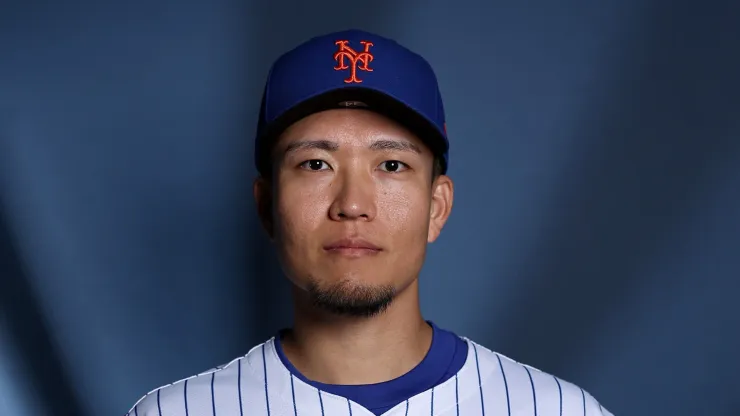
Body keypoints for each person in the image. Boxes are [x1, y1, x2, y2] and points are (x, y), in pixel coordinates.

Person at [126, 29, 614, 416]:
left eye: (391, 165)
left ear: (436, 207)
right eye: (316, 164)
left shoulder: (557, 411)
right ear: (266, 206)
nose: (353, 204)